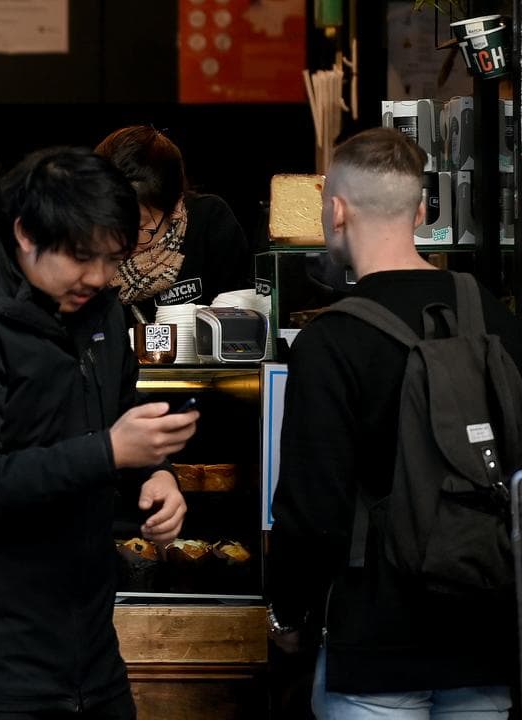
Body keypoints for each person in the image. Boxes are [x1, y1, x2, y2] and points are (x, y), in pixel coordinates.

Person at [0, 147, 197, 719]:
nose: (101, 277)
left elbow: (116, 404)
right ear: (26, 233)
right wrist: (109, 451)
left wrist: (155, 472)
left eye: (114, 259)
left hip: (88, 654)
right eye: (82, 258)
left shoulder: (98, 304)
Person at [267, 128, 522, 719]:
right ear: (423, 209)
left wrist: (290, 616)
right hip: (484, 631)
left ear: (335, 210)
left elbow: (313, 510)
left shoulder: (331, 339)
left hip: (375, 640)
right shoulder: (489, 312)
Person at [95, 126, 251, 321]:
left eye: (139, 227)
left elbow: (241, 316)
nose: (121, 241)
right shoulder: (79, 251)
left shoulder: (208, 222)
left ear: (175, 207)